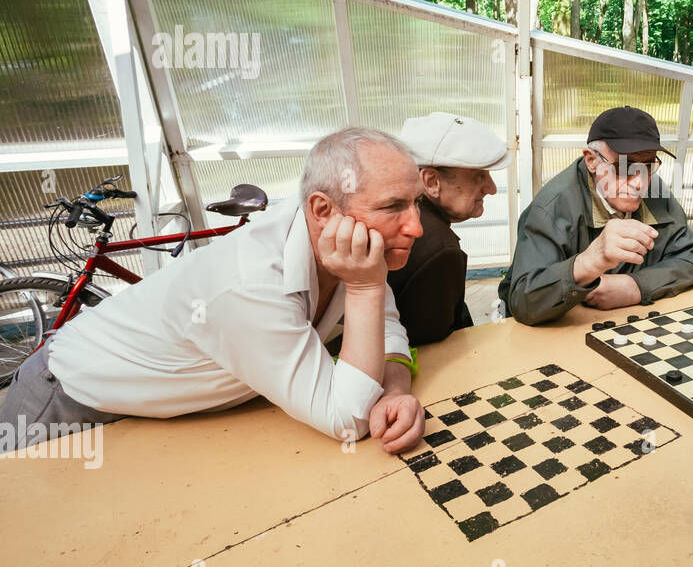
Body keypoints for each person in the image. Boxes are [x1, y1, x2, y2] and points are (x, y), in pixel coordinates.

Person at [0, 128, 428, 454]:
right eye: (393, 207)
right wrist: (366, 288)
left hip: (152, 411)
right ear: (322, 210)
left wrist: (392, 392)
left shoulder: (345, 248)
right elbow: (346, 420)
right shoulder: (250, 282)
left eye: (416, 204)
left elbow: (387, 329)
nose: (417, 228)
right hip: (65, 397)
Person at [498, 105, 693, 325]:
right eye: (623, 166)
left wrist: (635, 285)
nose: (639, 182)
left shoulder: (655, 191)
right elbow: (523, 301)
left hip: (626, 324)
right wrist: (587, 264)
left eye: (648, 165)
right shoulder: (551, 208)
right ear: (591, 160)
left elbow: (691, 260)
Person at [386, 111, 509, 345]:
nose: (491, 188)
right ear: (432, 182)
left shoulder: (398, 218)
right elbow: (434, 351)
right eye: (478, 176)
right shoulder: (440, 250)